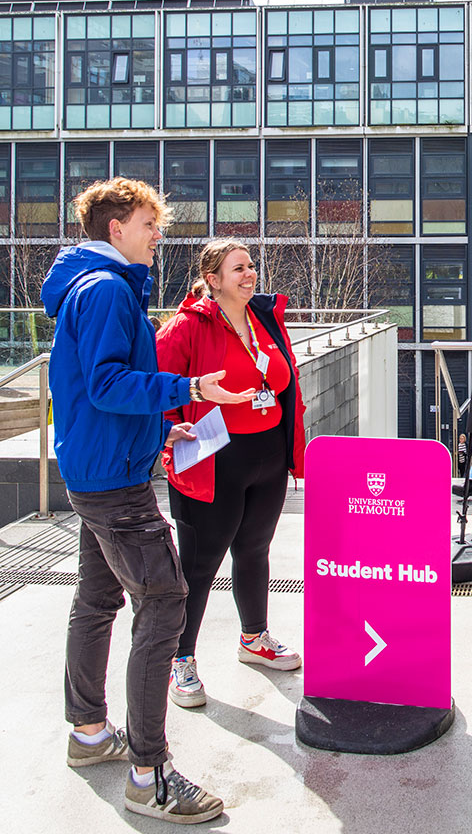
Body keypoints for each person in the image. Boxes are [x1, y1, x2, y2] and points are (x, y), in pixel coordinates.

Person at [42, 179, 255, 824]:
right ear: (116, 230)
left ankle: (88, 734)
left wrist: (164, 424)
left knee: (98, 599)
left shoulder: (88, 287)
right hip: (116, 484)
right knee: (164, 601)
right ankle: (150, 774)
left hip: (95, 471)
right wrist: (187, 388)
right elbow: (108, 384)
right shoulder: (108, 290)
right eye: (149, 225)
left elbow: (93, 389)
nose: (158, 235)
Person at [156, 239, 306, 708]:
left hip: (267, 455)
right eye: (238, 268)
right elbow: (153, 383)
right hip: (214, 456)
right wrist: (164, 432)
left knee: (255, 550)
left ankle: (253, 638)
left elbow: (282, 382)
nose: (250, 274)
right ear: (213, 279)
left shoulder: (263, 318)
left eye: (252, 266)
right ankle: (179, 660)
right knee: (200, 565)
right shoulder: (187, 326)